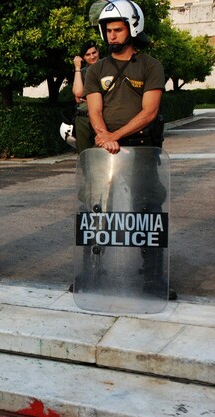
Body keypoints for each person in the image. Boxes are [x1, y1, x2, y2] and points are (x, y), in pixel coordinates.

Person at [83, 0, 176, 300]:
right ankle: (91, 273)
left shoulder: (150, 65)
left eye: (118, 29)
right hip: (105, 152)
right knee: (96, 209)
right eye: (108, 30)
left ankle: (152, 278)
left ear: (133, 28)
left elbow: (150, 111)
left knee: (147, 211)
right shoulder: (96, 69)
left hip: (142, 149)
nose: (111, 36)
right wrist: (103, 135)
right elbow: (94, 110)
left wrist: (115, 135)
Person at [72, 40, 100, 154]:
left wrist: (88, 98)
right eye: (87, 55)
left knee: (101, 153)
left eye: (94, 53)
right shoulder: (82, 72)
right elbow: (78, 93)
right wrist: (77, 68)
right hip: (83, 119)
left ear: (98, 52)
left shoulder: (108, 68)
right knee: (84, 155)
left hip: (102, 117)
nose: (92, 57)